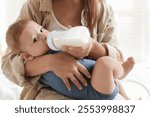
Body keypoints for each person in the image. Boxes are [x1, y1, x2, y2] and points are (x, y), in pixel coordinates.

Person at [1, 0, 130, 100]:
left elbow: (117, 59)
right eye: (36, 38)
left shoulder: (102, 10)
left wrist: (92, 46)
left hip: (96, 86)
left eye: (42, 30)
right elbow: (8, 64)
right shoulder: (36, 6)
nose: (43, 35)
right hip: (49, 94)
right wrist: (50, 62)